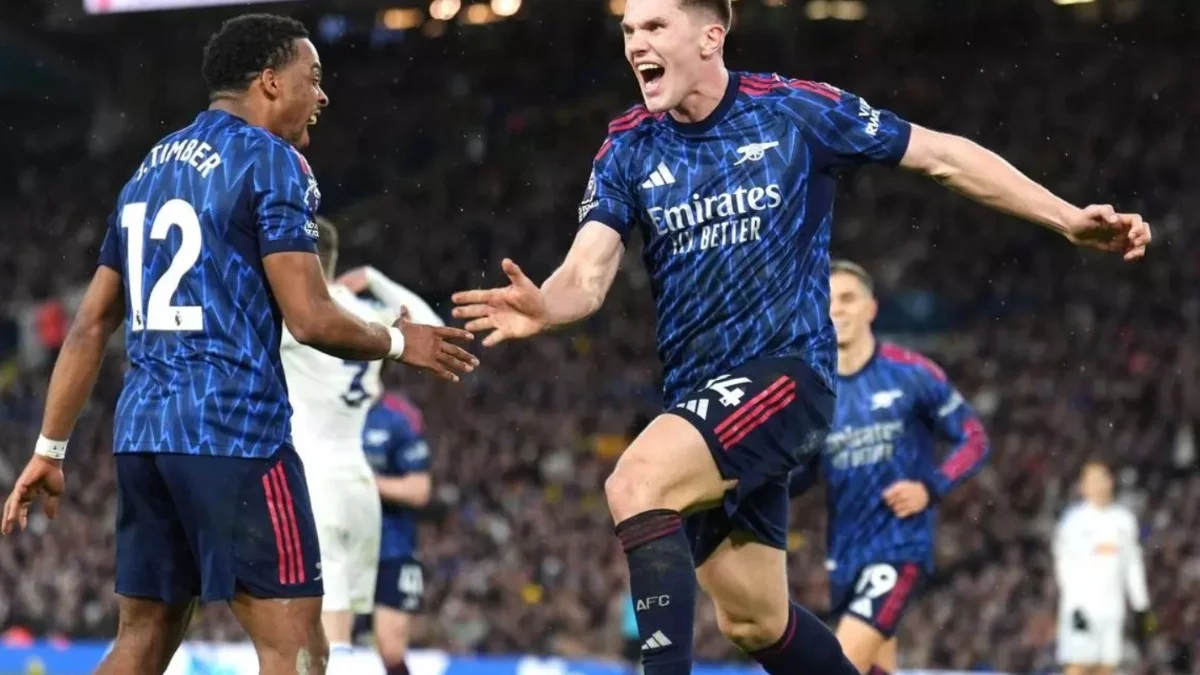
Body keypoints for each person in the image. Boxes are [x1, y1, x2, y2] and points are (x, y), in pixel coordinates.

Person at [452, 0, 1150, 672]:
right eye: (629, 29)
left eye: (655, 25)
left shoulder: (794, 110)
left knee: (637, 481)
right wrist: (546, 306)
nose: (636, 43)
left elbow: (942, 155)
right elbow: (587, 271)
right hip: (699, 400)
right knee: (754, 621)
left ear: (710, 37)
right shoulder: (628, 145)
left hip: (788, 376)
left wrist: (1066, 218)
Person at [0, 14, 476, 675]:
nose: (323, 95)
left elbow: (89, 325)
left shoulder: (149, 169)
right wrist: (399, 341)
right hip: (236, 433)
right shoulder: (273, 161)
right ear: (270, 82)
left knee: (141, 642)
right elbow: (311, 318)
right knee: (297, 649)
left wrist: (49, 449)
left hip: (143, 439)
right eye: (313, 78)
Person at [788, 261, 990, 675]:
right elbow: (802, 476)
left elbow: (974, 439)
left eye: (848, 298)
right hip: (844, 556)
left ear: (871, 308)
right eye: (828, 301)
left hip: (898, 547)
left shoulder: (911, 373)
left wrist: (930, 487)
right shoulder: (815, 394)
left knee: (836, 665)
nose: (836, 309)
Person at [280, 217, 445, 673]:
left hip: (314, 484)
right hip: (358, 487)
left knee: (322, 638)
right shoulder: (364, 314)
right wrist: (376, 279)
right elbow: (433, 329)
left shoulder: (295, 319)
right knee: (341, 635)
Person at [1054, 461, 1154, 675]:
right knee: (1078, 665)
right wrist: (1075, 605)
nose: (1098, 485)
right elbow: (1064, 566)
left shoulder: (1124, 520)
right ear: (1083, 487)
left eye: (1102, 479)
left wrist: (1141, 605)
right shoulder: (1073, 522)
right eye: (1092, 481)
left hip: (1112, 608)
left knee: (1107, 667)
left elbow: (1132, 564)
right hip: (1081, 608)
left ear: (1110, 482)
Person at [359, 391, 434, 675]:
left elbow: (419, 489)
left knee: (390, 647)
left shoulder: (399, 416)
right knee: (323, 637)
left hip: (391, 546)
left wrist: (362, 483)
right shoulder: (327, 406)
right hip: (337, 542)